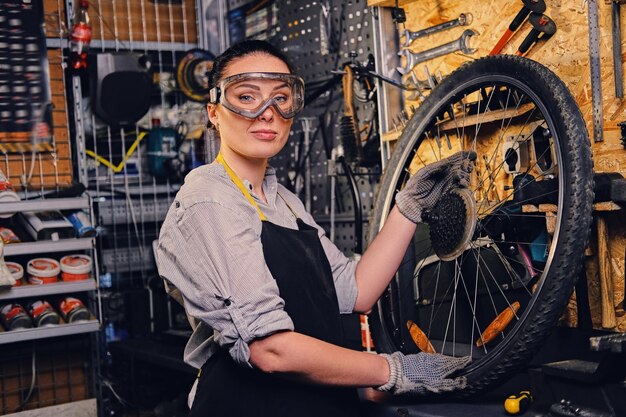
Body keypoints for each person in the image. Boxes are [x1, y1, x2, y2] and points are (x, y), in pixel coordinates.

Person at [156, 39, 476, 417]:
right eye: (246, 97)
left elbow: (354, 292)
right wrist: (393, 370)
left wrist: (407, 208)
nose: (267, 112)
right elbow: (269, 349)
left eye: (281, 97)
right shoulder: (209, 198)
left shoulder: (286, 202)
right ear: (214, 111)